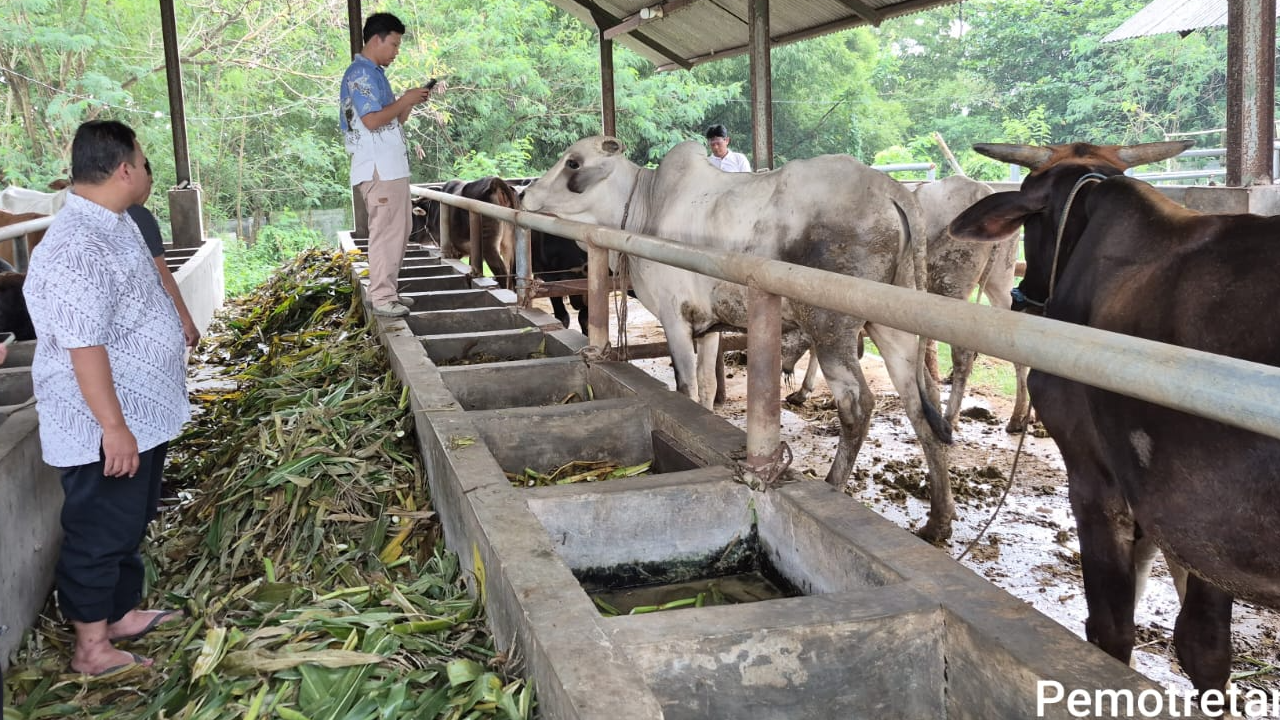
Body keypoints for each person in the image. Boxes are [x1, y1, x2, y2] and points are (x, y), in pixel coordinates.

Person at [23, 119, 189, 676]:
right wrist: (113, 427)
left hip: (139, 414)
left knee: (128, 520)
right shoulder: (76, 245)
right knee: (100, 529)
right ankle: (91, 648)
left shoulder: (113, 224)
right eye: (143, 163)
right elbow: (84, 344)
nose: (145, 172)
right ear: (124, 170)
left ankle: (119, 614)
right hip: (104, 425)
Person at [340, 12, 432, 317]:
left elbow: (392, 118)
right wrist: (404, 99)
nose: (395, 51)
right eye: (393, 44)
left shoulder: (376, 73)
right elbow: (372, 120)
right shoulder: (360, 74)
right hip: (378, 166)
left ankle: (387, 292)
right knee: (386, 231)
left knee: (399, 228)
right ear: (377, 39)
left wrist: (409, 103)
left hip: (392, 165)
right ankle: (381, 297)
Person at [127, 161, 200, 349]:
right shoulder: (139, 217)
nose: (148, 191)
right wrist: (186, 321)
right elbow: (162, 274)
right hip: (142, 331)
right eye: (149, 183)